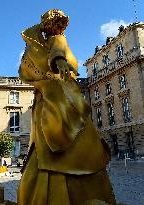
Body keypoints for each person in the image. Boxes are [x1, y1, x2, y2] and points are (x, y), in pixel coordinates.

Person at [17, 9, 116, 205]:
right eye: (54, 23)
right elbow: (51, 56)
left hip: (56, 96)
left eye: (58, 23)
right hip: (51, 98)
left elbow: (58, 51)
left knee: (57, 141)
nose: (57, 28)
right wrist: (58, 63)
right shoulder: (37, 44)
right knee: (56, 139)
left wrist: (58, 61)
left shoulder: (54, 40)